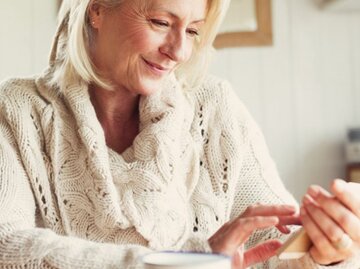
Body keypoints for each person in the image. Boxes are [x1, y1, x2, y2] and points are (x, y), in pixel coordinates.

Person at [0, 0, 359, 268]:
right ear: (96, 9)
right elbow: (7, 246)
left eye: (192, 30)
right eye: (160, 22)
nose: (180, 51)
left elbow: (270, 251)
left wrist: (326, 249)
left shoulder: (215, 106)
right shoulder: (18, 109)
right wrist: (193, 260)